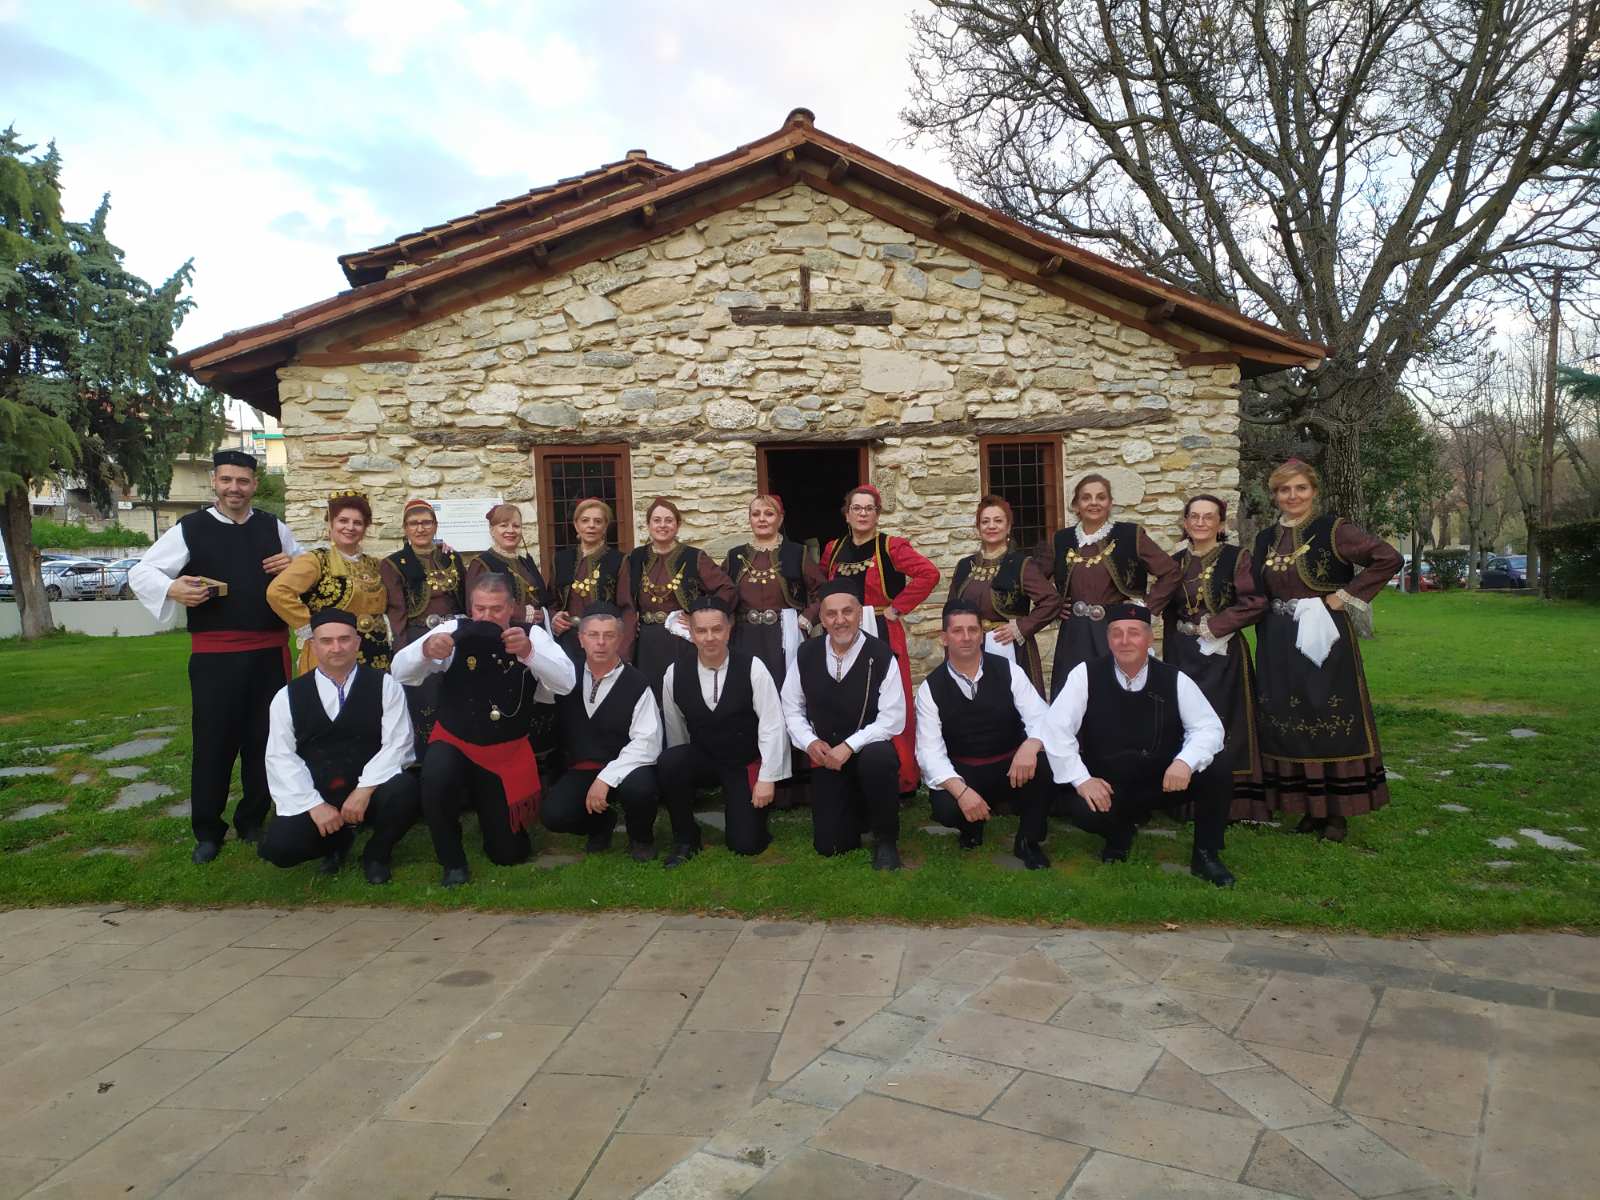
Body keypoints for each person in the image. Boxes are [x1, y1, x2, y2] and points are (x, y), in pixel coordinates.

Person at [129, 448, 300, 863]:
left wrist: (293, 564)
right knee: (213, 743)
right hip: (215, 657)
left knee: (265, 739)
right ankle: (208, 830)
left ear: (254, 484)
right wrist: (173, 588)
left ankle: (252, 820)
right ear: (215, 483)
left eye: (242, 481)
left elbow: (305, 571)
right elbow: (142, 571)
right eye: (226, 480)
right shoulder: (192, 528)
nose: (234, 488)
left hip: (269, 653)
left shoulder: (274, 527)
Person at [391, 574, 576, 887]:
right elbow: (399, 671)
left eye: (496, 609)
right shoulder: (452, 629)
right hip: (456, 742)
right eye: (480, 609)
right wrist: (425, 651)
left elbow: (566, 683)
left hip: (505, 753)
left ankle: (492, 818)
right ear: (471, 607)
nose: (487, 616)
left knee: (509, 854)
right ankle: (452, 860)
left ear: (511, 607)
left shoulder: (531, 634)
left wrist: (529, 652)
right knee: (436, 776)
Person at [1252, 459, 1402, 841]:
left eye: (1300, 488)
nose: (1293, 496)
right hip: (1276, 640)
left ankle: (1336, 813)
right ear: (1275, 495)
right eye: (1284, 490)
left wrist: (1343, 596)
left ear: (1313, 491)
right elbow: (1252, 588)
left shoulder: (1334, 530)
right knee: (1288, 716)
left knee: (1326, 713)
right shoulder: (1265, 538)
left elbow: (1388, 558)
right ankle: (1307, 808)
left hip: (1324, 638)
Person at [1044, 603, 1235, 886]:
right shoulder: (1085, 675)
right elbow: (1056, 728)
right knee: (1084, 810)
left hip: (1163, 781)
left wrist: (1184, 762)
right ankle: (1118, 834)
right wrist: (1082, 780)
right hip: (1110, 784)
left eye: (1133, 633)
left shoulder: (1174, 678)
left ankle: (1206, 854)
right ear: (1108, 639)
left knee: (1217, 767)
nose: (1125, 641)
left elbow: (1208, 727)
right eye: (1117, 633)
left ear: (1148, 639)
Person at [257, 609, 421, 884]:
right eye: (327, 641)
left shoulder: (385, 685)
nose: (336, 648)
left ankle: (377, 854)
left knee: (405, 789)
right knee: (280, 848)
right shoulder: (288, 696)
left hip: (371, 790)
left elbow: (398, 744)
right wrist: (314, 805)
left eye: (344, 639)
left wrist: (363, 790)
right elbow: (280, 757)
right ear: (313, 645)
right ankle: (336, 842)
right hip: (319, 791)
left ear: (357, 643)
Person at [820, 485, 940, 794]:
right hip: (843, 631)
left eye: (869, 508)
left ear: (877, 514)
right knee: (846, 696)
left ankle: (900, 775)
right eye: (856, 508)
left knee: (890, 699)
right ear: (847, 514)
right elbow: (821, 587)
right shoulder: (833, 549)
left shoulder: (891, 547)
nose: (862, 514)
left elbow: (929, 574)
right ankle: (847, 768)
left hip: (882, 628)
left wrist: (897, 608)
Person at [916, 600, 1054, 869]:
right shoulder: (930, 688)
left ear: (982, 635)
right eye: (957, 631)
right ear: (944, 638)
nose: (966, 637)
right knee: (945, 808)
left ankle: (1028, 840)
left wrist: (1031, 745)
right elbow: (929, 752)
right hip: (965, 771)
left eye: (973, 630)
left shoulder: (1009, 671)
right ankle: (971, 827)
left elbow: (1042, 717)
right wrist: (961, 792)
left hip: (1011, 768)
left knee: (1045, 763)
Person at [781, 580, 907, 869]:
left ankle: (886, 839)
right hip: (828, 758)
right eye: (831, 614)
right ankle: (857, 813)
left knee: (879, 757)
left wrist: (850, 746)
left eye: (847, 612)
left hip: (868, 752)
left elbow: (892, 717)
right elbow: (791, 707)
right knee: (832, 846)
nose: (840, 620)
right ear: (822, 619)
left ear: (860, 613)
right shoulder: (807, 653)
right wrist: (810, 742)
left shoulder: (881, 654)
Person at [653, 598, 789, 866]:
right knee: (671, 761)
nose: (709, 637)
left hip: (742, 762)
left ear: (728, 629)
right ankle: (685, 837)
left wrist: (767, 778)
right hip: (704, 757)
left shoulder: (753, 667)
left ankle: (749, 817)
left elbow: (772, 725)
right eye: (701, 631)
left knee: (746, 845)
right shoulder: (674, 673)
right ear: (692, 633)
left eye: (716, 629)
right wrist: (683, 779)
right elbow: (675, 728)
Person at [1162, 494, 1270, 822]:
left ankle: (1233, 803)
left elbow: (1255, 602)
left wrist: (1217, 625)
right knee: (1184, 721)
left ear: (1221, 523)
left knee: (1225, 722)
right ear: (1185, 522)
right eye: (1194, 516)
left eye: (1208, 517)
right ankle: (1186, 799)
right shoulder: (1175, 562)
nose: (1200, 522)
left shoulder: (1237, 558)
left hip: (1223, 656)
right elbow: (1168, 610)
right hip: (1183, 654)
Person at [1039, 473, 1181, 699]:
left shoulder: (1130, 535)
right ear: (1076, 505)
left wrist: (1145, 609)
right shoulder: (1061, 540)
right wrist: (1054, 603)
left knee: (1115, 695)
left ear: (1110, 503)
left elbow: (1170, 572)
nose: (1094, 502)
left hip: (1116, 630)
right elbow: (1034, 578)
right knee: (1074, 696)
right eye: (1086, 497)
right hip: (1074, 634)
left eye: (1101, 497)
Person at [541, 603, 663, 859]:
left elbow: (647, 741)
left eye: (608, 635)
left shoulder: (636, 682)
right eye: (593, 635)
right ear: (581, 639)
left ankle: (641, 838)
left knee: (640, 788)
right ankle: (600, 824)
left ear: (620, 639)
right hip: (583, 768)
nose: (600, 643)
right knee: (554, 816)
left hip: (628, 768)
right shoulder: (566, 677)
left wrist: (607, 778)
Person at [616, 498, 736, 695]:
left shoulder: (694, 557)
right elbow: (626, 602)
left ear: (678, 525)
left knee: (683, 694)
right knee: (649, 696)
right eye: (657, 520)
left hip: (681, 641)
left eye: (669, 520)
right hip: (646, 643)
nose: (662, 525)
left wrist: (699, 617)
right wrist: (625, 646)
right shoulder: (636, 557)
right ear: (648, 525)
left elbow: (727, 589)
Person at [380, 498, 468, 755]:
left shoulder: (450, 558)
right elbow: (396, 611)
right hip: (419, 638)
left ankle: (461, 753)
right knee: (426, 699)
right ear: (405, 528)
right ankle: (426, 758)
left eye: (426, 523)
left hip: (454, 636)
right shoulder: (394, 564)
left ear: (435, 525)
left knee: (458, 695)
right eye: (413, 523)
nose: (420, 528)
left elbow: (464, 598)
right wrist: (401, 652)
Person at [268, 490, 391, 674]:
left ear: (365, 528)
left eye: (358, 523)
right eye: (343, 521)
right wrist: (312, 627)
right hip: (332, 653)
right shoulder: (315, 561)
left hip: (376, 653)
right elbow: (277, 592)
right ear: (331, 524)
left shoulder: (374, 564)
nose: (350, 527)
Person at [947, 495, 1060, 695]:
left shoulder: (1021, 564)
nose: (991, 526)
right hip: (970, 646)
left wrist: (1021, 627)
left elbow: (1051, 601)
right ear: (978, 528)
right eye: (985, 521)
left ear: (1008, 527)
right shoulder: (965, 566)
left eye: (998, 521)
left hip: (1010, 648)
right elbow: (951, 610)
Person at [724, 493, 825, 688]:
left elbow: (822, 590)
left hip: (784, 638)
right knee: (747, 689)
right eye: (756, 514)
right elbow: (719, 592)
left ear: (780, 519)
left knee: (784, 689)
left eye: (769, 514)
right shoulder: (735, 555)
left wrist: (808, 617)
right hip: (744, 637)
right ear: (750, 519)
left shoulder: (797, 553)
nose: (762, 519)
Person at [549, 497, 627, 665]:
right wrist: (554, 617)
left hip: (604, 643)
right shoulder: (561, 559)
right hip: (567, 642)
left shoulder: (619, 560)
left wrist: (623, 652)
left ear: (605, 527)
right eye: (585, 520)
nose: (591, 525)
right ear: (576, 525)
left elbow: (626, 609)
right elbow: (551, 602)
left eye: (598, 521)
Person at [467, 503, 555, 627]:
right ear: (492, 530)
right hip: (502, 632)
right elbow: (474, 606)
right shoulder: (482, 563)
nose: (511, 530)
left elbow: (543, 600)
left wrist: (545, 614)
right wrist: (522, 613)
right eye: (503, 525)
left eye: (516, 526)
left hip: (536, 631)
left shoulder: (525, 561)